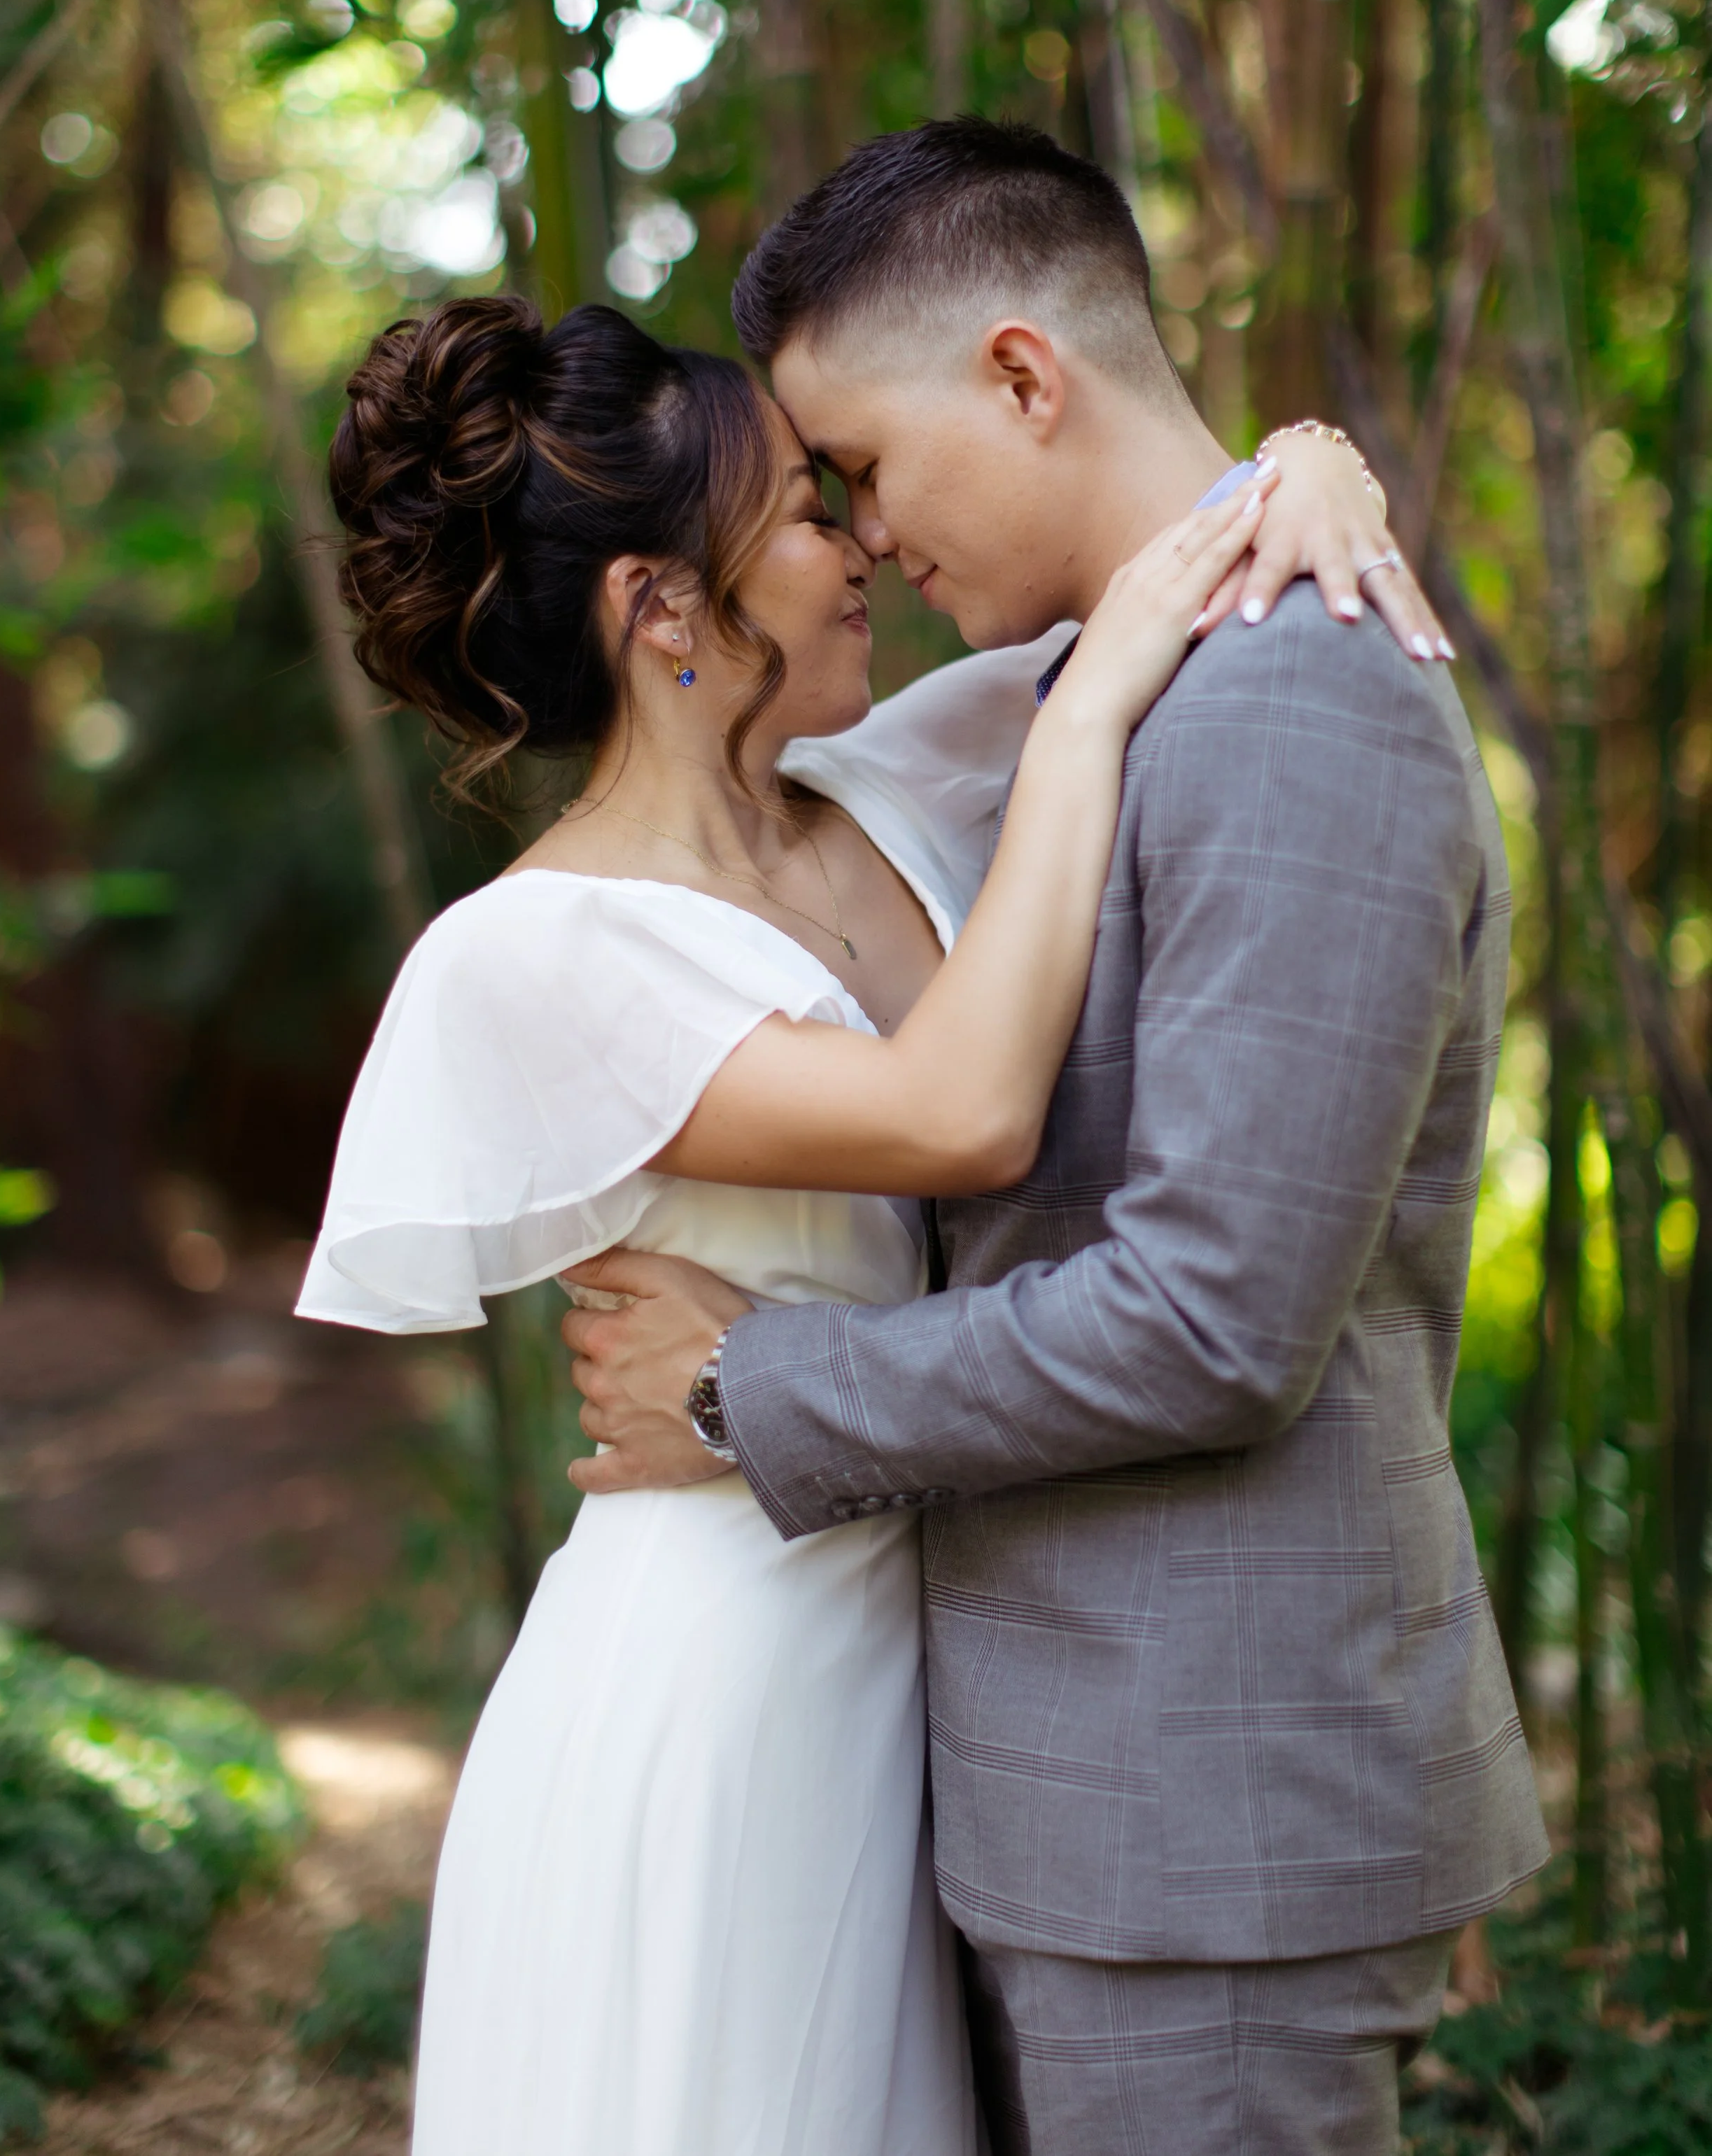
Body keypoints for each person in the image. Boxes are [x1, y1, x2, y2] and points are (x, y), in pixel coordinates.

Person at [295, 207, 1431, 2156]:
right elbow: (956, 1115)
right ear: (664, 610)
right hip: (721, 1695)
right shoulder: (532, 953)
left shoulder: (900, 781)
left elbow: (1178, 533)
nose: (864, 545)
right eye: (809, 513)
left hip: (971, 1681)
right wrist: (1083, 711)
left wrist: (1312, 460)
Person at [556, 119, 1550, 2156]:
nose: (857, 528)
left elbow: (1213, 1314)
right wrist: (1302, 450)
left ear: (1020, 375)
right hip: (1092, 1796)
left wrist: (752, 1383)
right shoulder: (1105, 689)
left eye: (861, 463)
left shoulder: (1300, 702)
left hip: (1207, 1820)